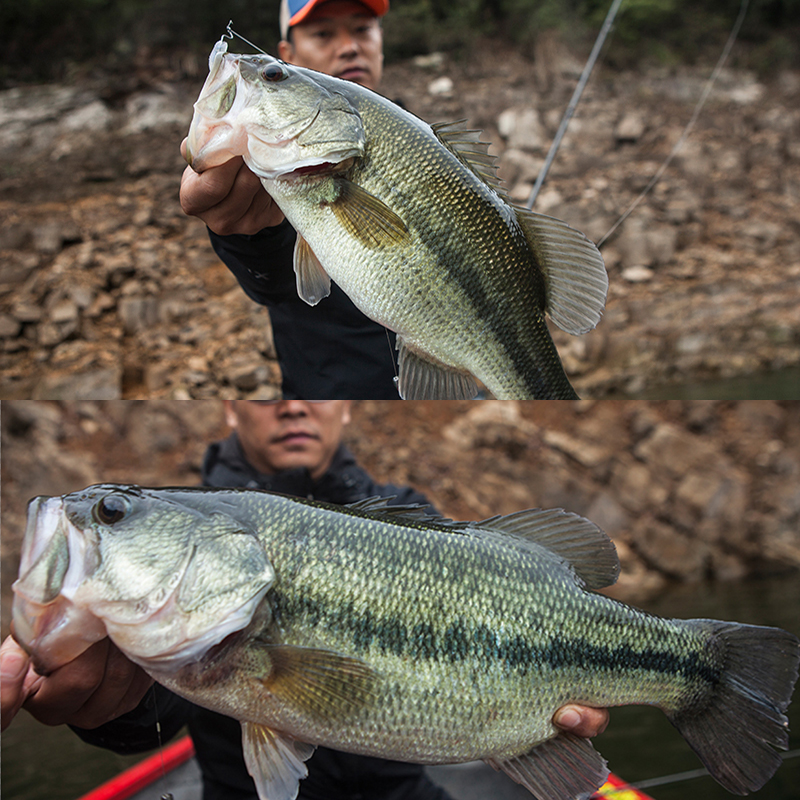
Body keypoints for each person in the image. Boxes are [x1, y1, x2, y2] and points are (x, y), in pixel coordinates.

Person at [1, 400, 610, 800]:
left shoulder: (413, 517)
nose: (293, 406)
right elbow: (160, 705)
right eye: (267, 395)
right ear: (231, 407)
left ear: (345, 408)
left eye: (113, 513)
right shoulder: (198, 537)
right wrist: (112, 707)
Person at [180, 0, 402, 400]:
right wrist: (251, 237)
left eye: (363, 30)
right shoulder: (279, 166)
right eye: (323, 33)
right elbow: (275, 281)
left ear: (381, 42)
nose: (350, 47)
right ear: (289, 54)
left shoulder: (424, 148)